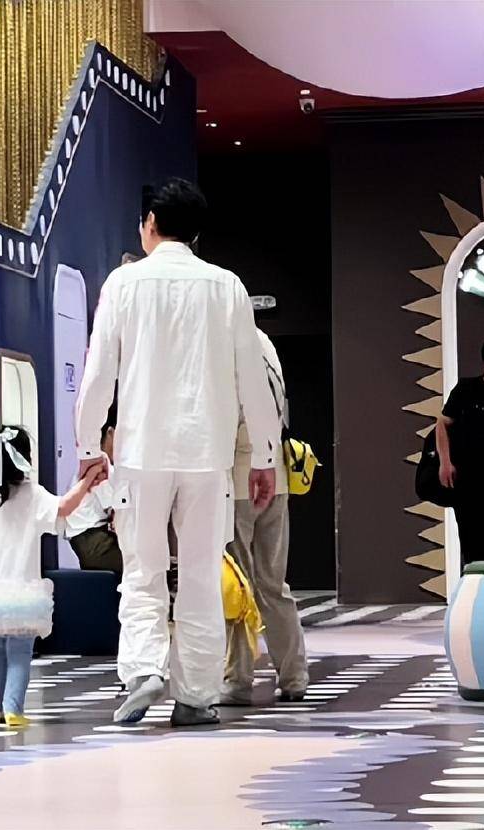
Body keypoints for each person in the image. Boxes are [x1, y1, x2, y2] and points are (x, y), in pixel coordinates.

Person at [75, 177, 280, 728]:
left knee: (142, 570)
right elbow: (252, 379)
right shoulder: (227, 286)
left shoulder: (123, 284)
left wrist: (89, 446)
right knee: (200, 575)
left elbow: (99, 372)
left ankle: (144, 669)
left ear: (148, 224)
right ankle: (195, 696)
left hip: (140, 452)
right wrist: (264, 456)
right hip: (208, 454)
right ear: (197, 232)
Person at [0, 427, 99, 727]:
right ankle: (13, 708)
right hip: (22, 592)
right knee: (20, 652)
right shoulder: (32, 494)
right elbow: (64, 507)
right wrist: (87, 481)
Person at [221, 329, 308, 706]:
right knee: (273, 584)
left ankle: (237, 679)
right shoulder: (265, 343)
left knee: (239, 583)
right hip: (277, 478)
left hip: (240, 481)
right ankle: (294, 674)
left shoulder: (225, 346)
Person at [435, 338, 484, 566]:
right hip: (470, 483)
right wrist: (445, 461)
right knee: (473, 550)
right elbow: (442, 423)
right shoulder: (466, 389)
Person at [66, 406, 123, 576]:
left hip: (88, 536)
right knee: (142, 564)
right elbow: (119, 507)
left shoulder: (95, 462)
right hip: (91, 539)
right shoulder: (100, 464)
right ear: (111, 433)